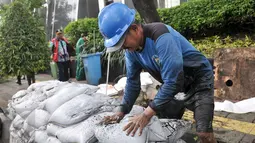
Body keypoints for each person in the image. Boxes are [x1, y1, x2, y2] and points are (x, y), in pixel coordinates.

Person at [98, 3, 217, 143]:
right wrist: (121, 111)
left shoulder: (161, 36)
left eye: (122, 42)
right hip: (175, 84)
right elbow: (132, 82)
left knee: (203, 132)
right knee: (164, 124)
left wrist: (146, 114)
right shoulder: (132, 50)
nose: (123, 48)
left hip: (198, 79)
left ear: (135, 29)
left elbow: (174, 81)